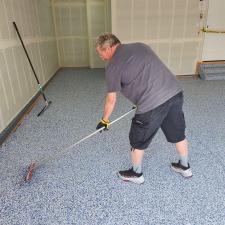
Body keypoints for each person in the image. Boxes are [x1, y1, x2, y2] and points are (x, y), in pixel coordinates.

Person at [96, 33, 192, 184]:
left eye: (100, 52)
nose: (101, 56)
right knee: (178, 133)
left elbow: (111, 99)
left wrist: (104, 120)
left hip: (151, 103)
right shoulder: (140, 46)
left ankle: (136, 173)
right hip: (174, 93)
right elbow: (147, 71)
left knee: (137, 139)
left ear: (108, 47)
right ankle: (185, 166)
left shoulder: (113, 65)